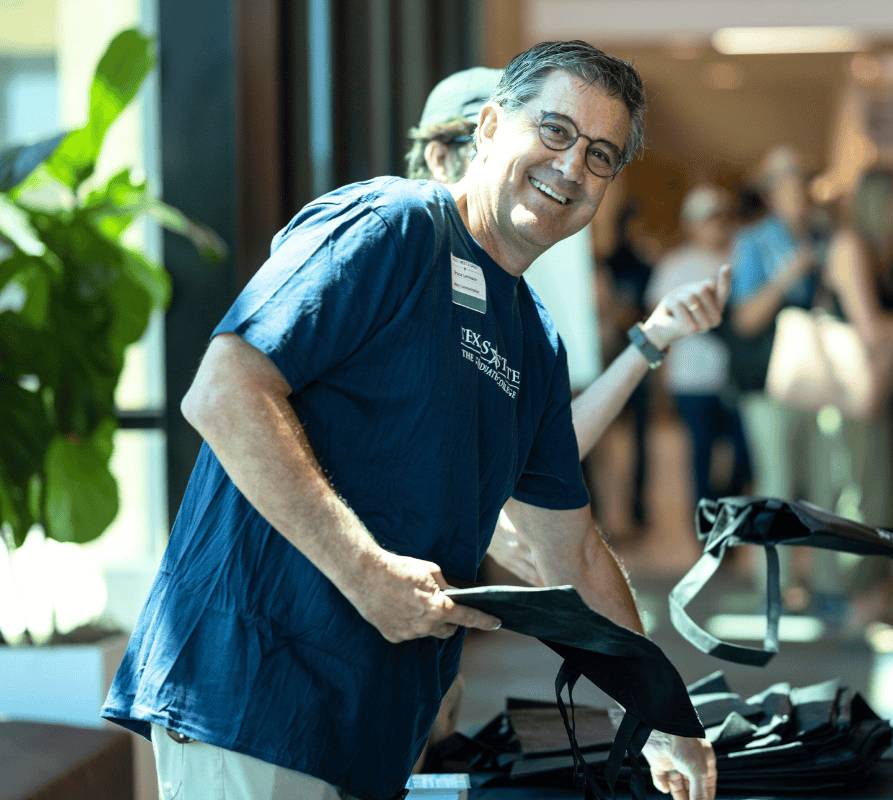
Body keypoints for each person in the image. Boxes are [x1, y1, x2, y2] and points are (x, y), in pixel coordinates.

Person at [102, 41, 717, 800]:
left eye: (600, 156)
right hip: (255, 691)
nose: (571, 167)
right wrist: (364, 570)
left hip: (381, 720)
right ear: (489, 127)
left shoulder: (533, 337)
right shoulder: (392, 226)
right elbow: (223, 391)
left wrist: (662, 713)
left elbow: (575, 555)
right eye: (555, 130)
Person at [405, 65, 732, 581]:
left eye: (592, 152)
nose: (561, 170)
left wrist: (653, 338)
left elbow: (550, 447)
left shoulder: (517, 298)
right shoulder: (397, 249)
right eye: (547, 134)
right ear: (448, 153)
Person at [818, 165, 893, 618]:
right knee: (862, 493)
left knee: (891, 491)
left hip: (892, 386)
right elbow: (871, 329)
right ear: (880, 202)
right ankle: (856, 598)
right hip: (856, 391)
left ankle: (876, 593)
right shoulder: (851, 246)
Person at [727, 146, 829, 506]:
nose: (798, 192)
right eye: (788, 185)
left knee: (822, 482)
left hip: (815, 378)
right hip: (767, 381)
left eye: (801, 183)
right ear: (771, 194)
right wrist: (789, 276)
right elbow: (745, 320)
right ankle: (772, 548)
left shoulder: (821, 236)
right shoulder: (753, 242)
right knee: (778, 483)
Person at [646, 185, 751, 505]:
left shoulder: (740, 257)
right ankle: (704, 521)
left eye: (721, 217)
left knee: (743, 457)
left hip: (738, 379)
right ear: (691, 224)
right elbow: (656, 327)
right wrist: (659, 378)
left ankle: (729, 514)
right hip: (691, 380)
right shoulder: (674, 265)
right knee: (701, 456)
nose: (717, 225)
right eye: (709, 218)